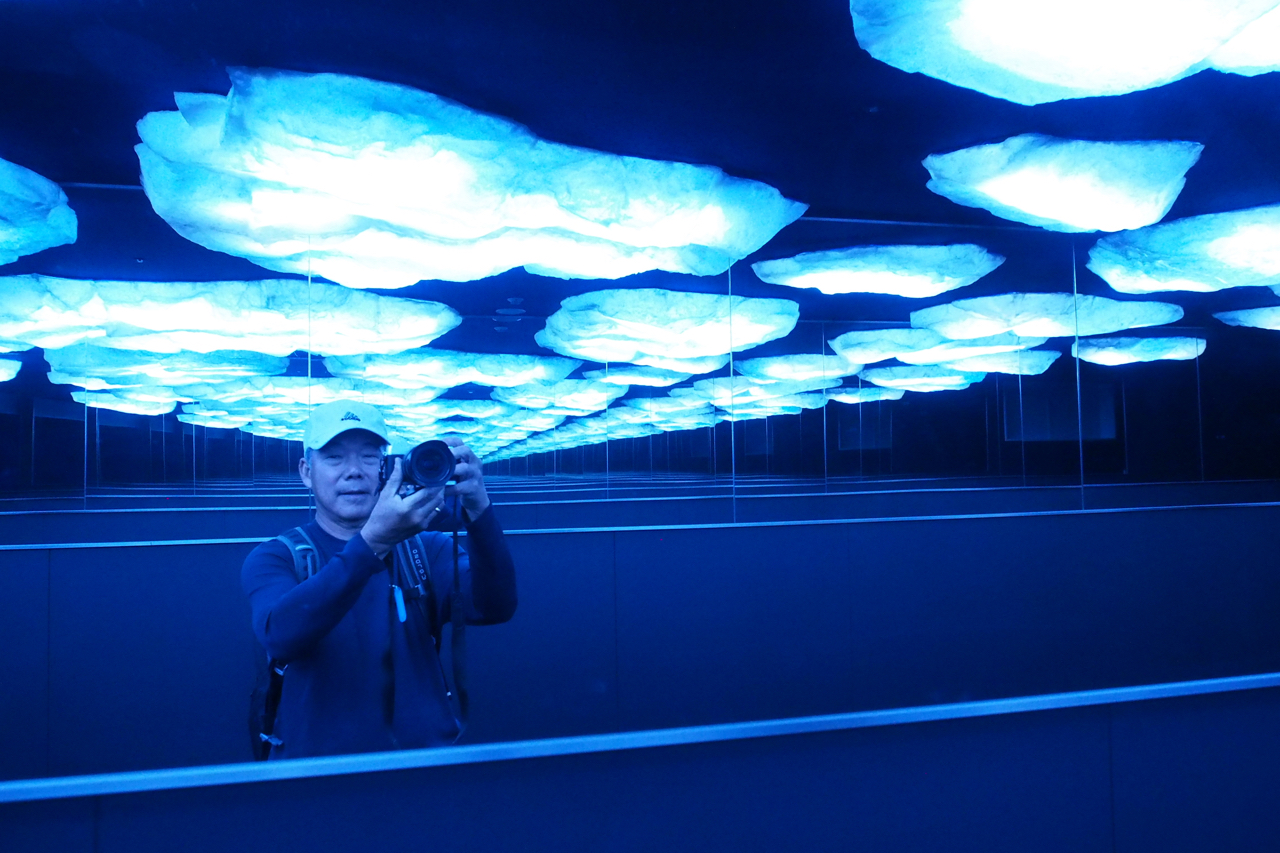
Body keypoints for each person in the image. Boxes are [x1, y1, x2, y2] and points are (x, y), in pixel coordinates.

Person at [241, 400, 517, 759]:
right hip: (316, 775)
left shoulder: (426, 550)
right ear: (307, 472)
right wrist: (372, 543)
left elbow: (496, 605)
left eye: (369, 457)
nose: (354, 472)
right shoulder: (277, 557)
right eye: (334, 457)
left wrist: (478, 508)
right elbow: (280, 635)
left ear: (386, 469)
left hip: (424, 767)